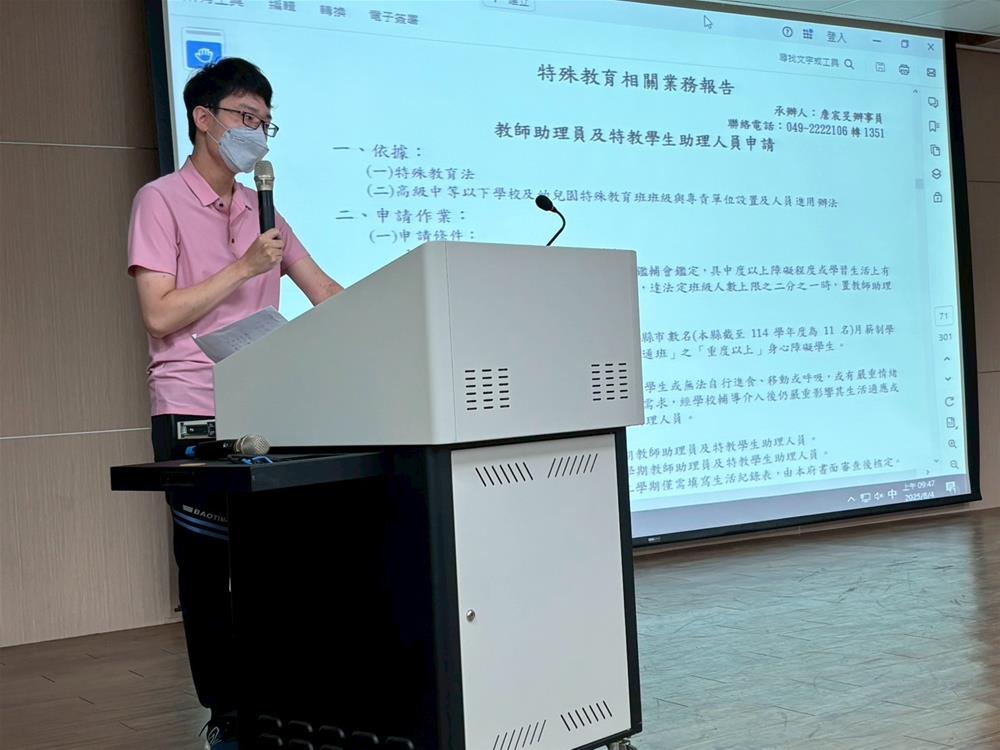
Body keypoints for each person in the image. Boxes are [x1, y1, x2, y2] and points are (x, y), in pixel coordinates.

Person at [127, 57, 342, 749]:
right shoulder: (160, 200)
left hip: (264, 401)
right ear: (203, 118)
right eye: (247, 118)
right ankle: (226, 715)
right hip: (191, 401)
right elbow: (159, 314)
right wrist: (244, 267)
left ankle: (282, 710)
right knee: (206, 568)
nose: (258, 133)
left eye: (266, 123)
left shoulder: (263, 209)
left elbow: (323, 291)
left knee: (274, 565)